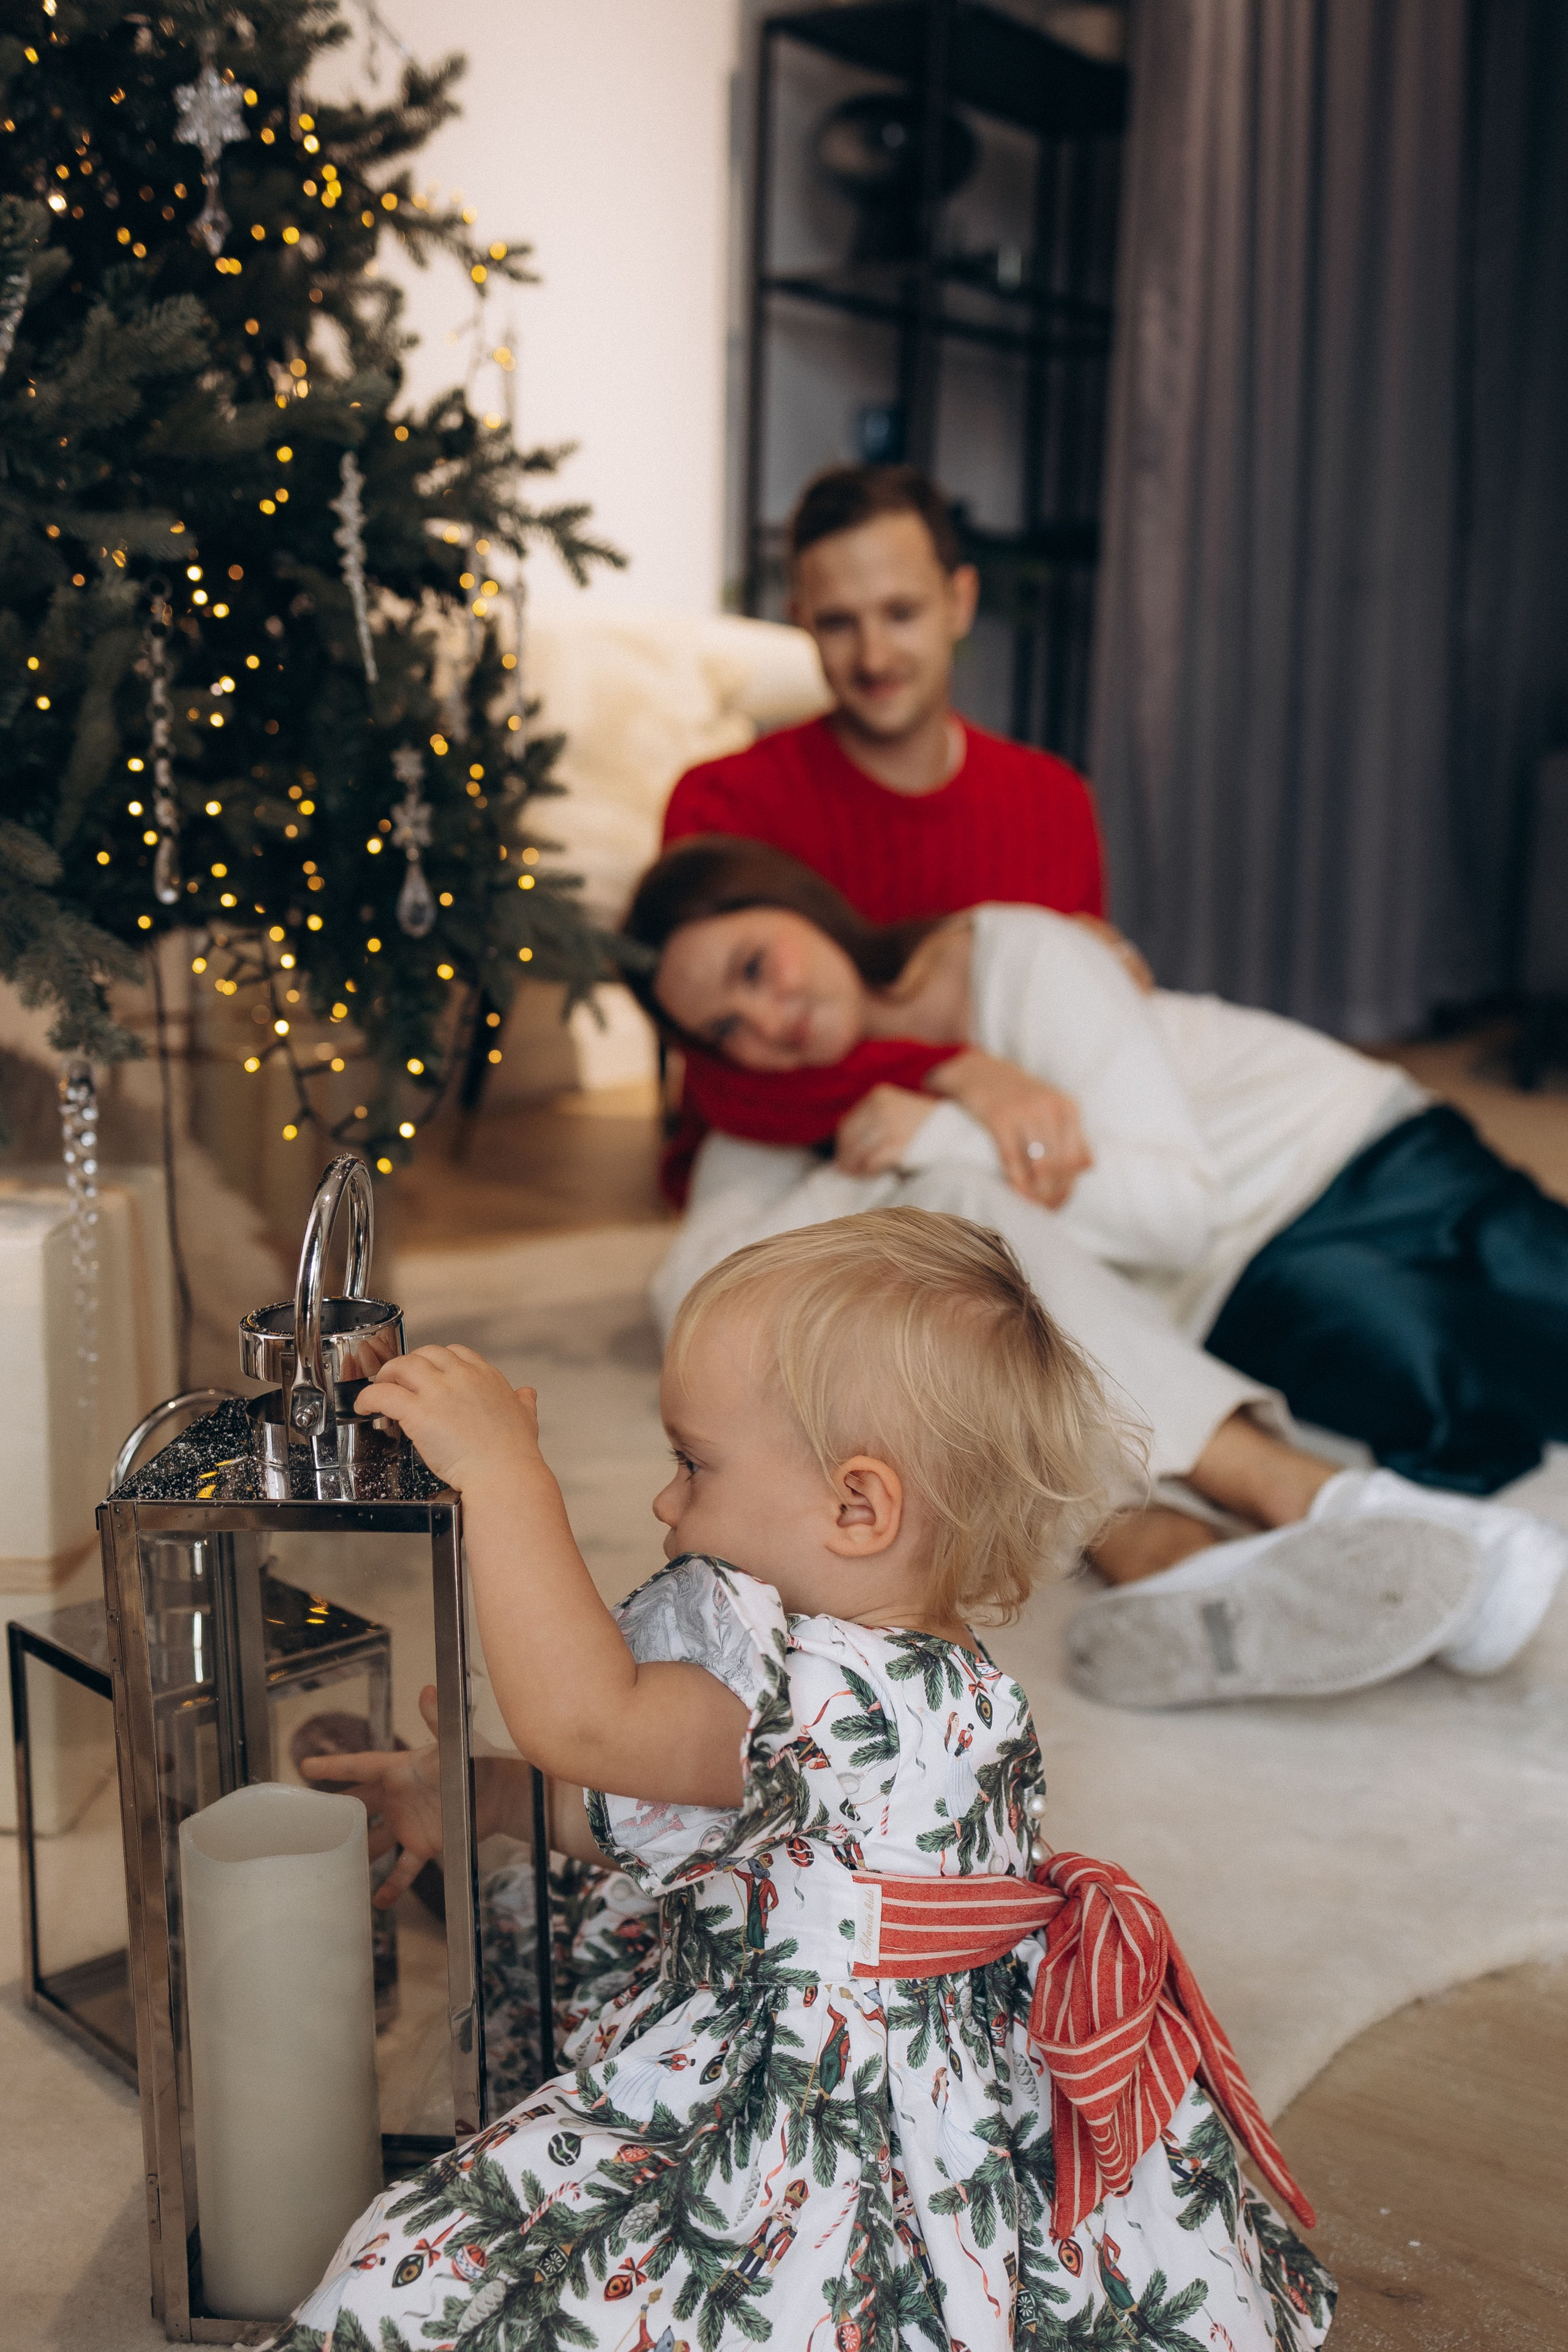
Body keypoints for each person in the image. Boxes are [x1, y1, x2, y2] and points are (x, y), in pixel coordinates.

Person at [269, 1211, 1335, 2352]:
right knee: (589, 1916)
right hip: (871, 1994)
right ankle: (481, 1875)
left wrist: (505, 1480)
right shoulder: (922, 1671)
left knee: (442, 2274)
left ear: (858, 1508)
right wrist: (480, 1796)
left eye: (693, 1463)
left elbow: (586, 1721)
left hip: (828, 2096)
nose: (665, 1503)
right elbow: (690, 1809)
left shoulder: (831, 1693)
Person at [658, 459, 1411, 1597]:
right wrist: (957, 1070)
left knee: (974, 1241)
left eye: (902, 612)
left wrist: (985, 1078)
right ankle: (1151, 1505)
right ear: (802, 625)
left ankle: (1133, 1513)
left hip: (944, 1157)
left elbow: (1066, 1058)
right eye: (837, 623)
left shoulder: (1048, 803)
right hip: (783, 1147)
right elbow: (728, 1073)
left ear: (961, 601)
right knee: (707, 1306)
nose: (873, 654)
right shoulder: (726, 804)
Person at [620, 837, 1567, 1707]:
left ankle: (1260, 1522)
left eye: (756, 966)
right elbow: (696, 1299)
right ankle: (1212, 1541)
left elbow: (1173, 1213)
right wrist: (912, 1122)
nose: (764, 1023)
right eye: (723, 1028)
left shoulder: (1006, 957)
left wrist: (945, 1125)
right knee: (943, 1265)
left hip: (1355, 1172)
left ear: (803, 907)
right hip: (1238, 1305)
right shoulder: (767, 1109)